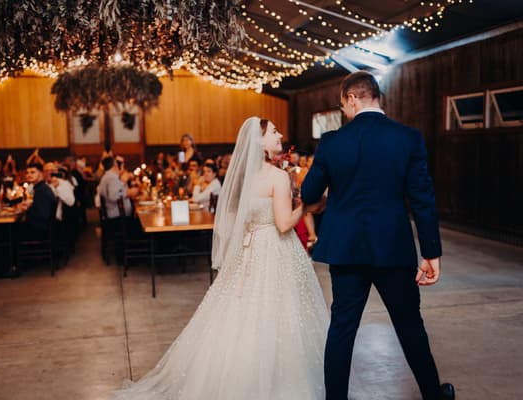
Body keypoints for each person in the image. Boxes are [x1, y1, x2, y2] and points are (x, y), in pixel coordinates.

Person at [112, 117, 329, 400]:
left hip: (249, 250)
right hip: (274, 249)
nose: (280, 136)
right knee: (280, 312)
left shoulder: (243, 178)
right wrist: (308, 208)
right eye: (274, 132)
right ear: (260, 142)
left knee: (243, 312)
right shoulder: (277, 177)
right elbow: (285, 223)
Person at [301, 71, 455, 400]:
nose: (344, 111)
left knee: (342, 328)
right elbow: (422, 198)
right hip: (392, 247)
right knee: (409, 324)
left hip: (345, 248)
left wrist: (329, 197)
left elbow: (309, 191)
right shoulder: (407, 138)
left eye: (343, 104)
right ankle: (433, 394)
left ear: (353, 99)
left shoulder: (332, 142)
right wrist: (431, 252)